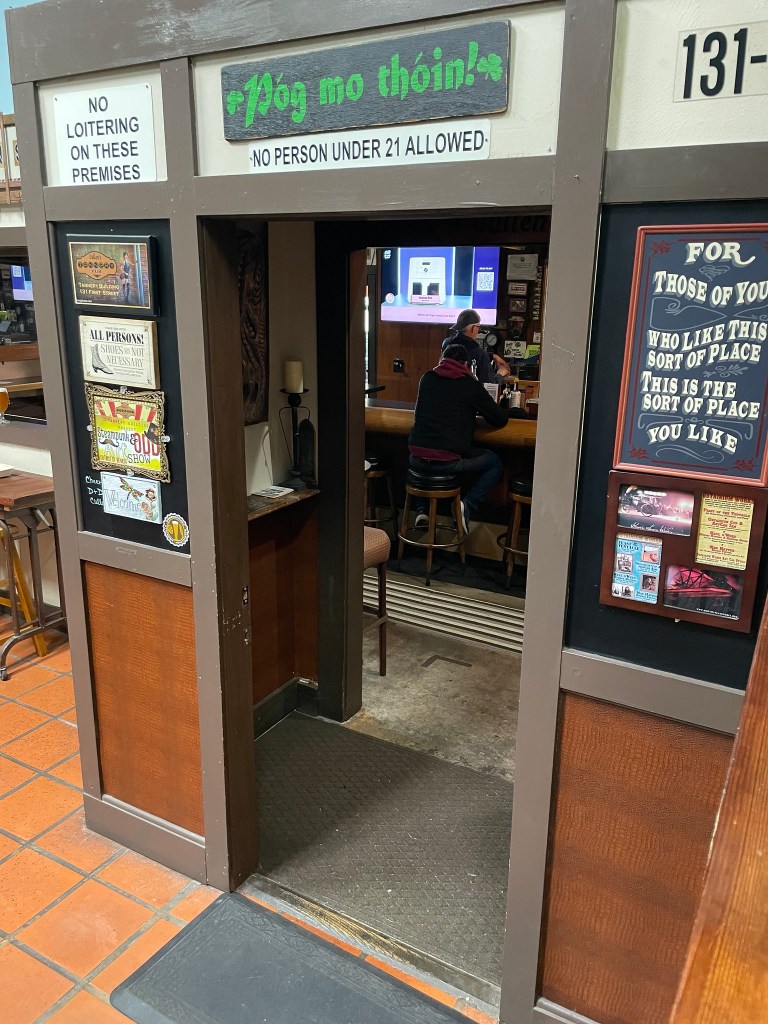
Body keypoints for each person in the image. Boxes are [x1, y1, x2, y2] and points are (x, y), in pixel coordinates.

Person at [408, 342, 528, 531]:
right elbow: (497, 418)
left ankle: (422, 511)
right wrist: (513, 412)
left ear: (442, 360)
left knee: (422, 459)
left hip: (416, 461)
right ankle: (467, 505)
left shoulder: (427, 378)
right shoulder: (469, 385)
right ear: (465, 364)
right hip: (447, 463)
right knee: (494, 462)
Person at [440, 308, 511, 385]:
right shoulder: (479, 354)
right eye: (478, 327)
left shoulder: (446, 344)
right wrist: (500, 374)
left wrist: (491, 356)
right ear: (473, 328)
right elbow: (490, 387)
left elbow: (464, 350)